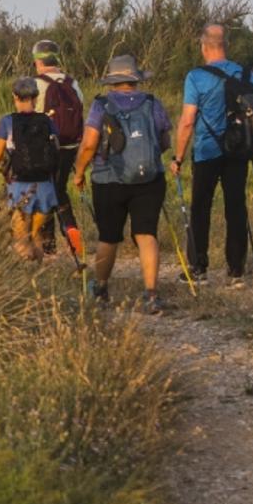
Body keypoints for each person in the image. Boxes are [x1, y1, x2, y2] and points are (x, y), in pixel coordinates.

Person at [71, 54, 171, 311]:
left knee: (109, 236)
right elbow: (164, 141)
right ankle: (151, 294)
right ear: (135, 79)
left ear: (113, 81)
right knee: (146, 234)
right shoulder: (152, 102)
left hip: (108, 179)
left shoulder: (101, 105)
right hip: (149, 178)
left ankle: (101, 289)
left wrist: (80, 172)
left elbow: (89, 144)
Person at [170, 24, 253, 287]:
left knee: (200, 207)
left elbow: (188, 121)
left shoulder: (196, 77)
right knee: (236, 206)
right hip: (239, 151)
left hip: (207, 151)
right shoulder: (246, 73)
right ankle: (236, 271)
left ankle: (198, 268)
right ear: (225, 45)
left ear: (203, 46)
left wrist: (178, 157)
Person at [0, 76, 63, 261]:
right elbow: (56, 149)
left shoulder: (7, 122)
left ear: (14, 96)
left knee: (21, 235)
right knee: (36, 234)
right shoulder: (47, 121)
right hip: (45, 185)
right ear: (36, 97)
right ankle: (37, 270)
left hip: (20, 186)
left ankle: (25, 276)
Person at [30, 41, 88, 257]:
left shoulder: (36, 84)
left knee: (44, 193)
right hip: (70, 147)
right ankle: (71, 231)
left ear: (38, 60)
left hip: (45, 148)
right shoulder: (73, 84)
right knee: (60, 191)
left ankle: (49, 247)